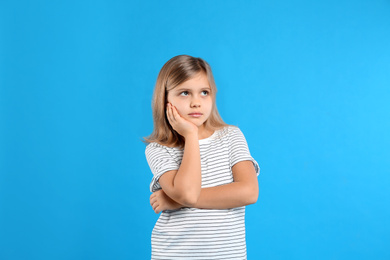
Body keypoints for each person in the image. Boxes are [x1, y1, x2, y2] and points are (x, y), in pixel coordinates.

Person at [143, 55, 260, 260]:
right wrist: (190, 135)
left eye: (204, 92)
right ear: (165, 99)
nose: (196, 102)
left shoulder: (231, 136)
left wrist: (176, 201)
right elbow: (188, 193)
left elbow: (249, 192)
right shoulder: (159, 149)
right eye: (185, 93)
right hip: (175, 254)